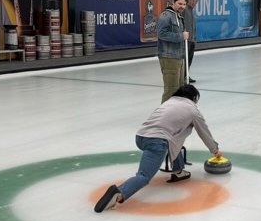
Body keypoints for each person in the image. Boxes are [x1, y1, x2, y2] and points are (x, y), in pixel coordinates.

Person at [94, 84, 222, 212]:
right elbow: (204, 132)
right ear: (194, 98)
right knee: (144, 176)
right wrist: (214, 149)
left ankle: (178, 171)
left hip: (140, 136)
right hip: (157, 142)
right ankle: (119, 192)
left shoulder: (169, 102)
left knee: (173, 136)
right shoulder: (193, 110)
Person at [157, 0, 189, 103]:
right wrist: (180, 36)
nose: (182, 7)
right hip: (169, 57)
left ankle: (175, 116)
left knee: (179, 89)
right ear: (173, 2)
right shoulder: (166, 16)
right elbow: (161, 34)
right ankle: (163, 117)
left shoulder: (179, 17)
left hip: (179, 57)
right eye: (180, 4)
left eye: (184, 4)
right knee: (171, 90)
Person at [185, 0, 199, 83]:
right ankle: (182, 77)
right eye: (193, 0)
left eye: (196, 1)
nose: (194, 3)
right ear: (189, 0)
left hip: (192, 40)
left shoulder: (193, 11)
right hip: (185, 40)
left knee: (189, 59)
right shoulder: (184, 10)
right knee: (184, 59)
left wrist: (194, 38)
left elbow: (193, 26)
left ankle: (187, 75)